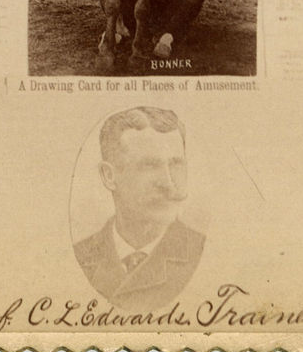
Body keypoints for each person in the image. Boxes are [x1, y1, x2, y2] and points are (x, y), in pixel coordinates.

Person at [72, 106, 205, 310]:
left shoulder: (203, 254)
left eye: (176, 164)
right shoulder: (80, 257)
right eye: (149, 166)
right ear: (109, 176)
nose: (168, 183)